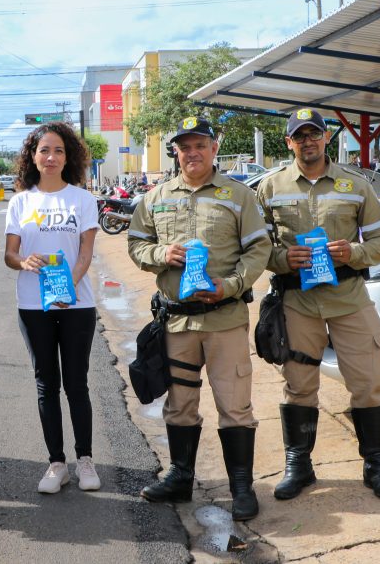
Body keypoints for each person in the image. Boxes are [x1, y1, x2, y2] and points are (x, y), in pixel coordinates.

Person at [128, 116, 270, 521]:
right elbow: (137, 243)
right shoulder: (155, 197)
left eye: (200, 145)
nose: (192, 153)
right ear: (176, 151)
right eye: (184, 147)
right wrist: (161, 255)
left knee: (235, 405)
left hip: (224, 318)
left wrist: (230, 285)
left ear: (213, 148)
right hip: (176, 325)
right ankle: (180, 477)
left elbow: (258, 249)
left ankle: (241, 488)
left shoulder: (238, 195)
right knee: (180, 404)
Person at [256, 108, 380, 501]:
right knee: (299, 386)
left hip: (348, 299)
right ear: (289, 143)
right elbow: (258, 248)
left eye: (314, 134)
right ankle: (298, 465)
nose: (308, 141)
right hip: (298, 303)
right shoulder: (270, 188)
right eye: (299, 136)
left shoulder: (356, 185)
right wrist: (285, 259)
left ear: (325, 138)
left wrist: (351, 252)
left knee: (370, 383)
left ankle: (377, 466)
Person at [4, 122, 101, 494]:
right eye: (44, 150)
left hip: (77, 304)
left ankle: (86, 460)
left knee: (77, 383)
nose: (51, 157)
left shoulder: (82, 199)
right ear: (33, 156)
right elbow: (11, 255)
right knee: (46, 384)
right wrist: (24, 261)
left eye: (58, 150)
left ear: (68, 157)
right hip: (32, 305)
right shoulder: (20, 201)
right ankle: (57, 463)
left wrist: (68, 286)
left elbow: (86, 253)